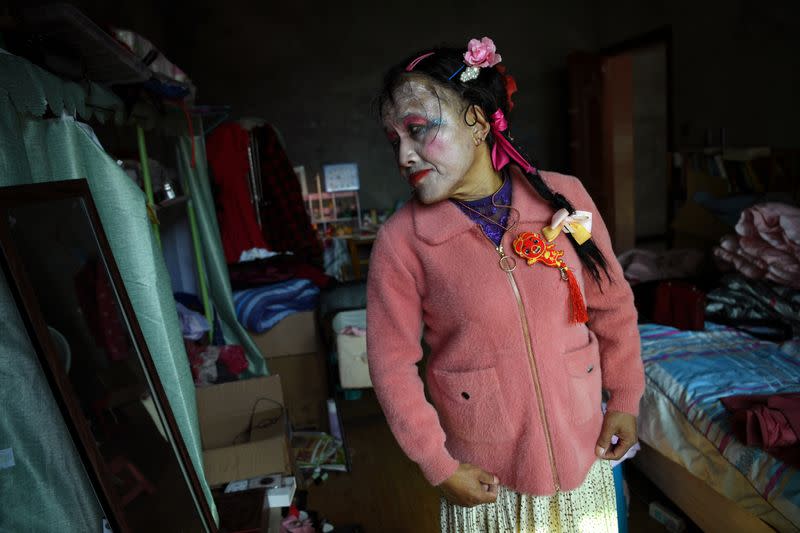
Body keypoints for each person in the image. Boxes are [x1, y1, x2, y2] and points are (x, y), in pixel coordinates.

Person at [366, 37, 645, 533]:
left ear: (476, 120)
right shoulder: (401, 242)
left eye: (416, 130)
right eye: (394, 141)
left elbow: (613, 305)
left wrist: (624, 398)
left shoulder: (564, 198)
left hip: (583, 449)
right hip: (488, 480)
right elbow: (391, 366)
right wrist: (439, 465)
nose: (404, 155)